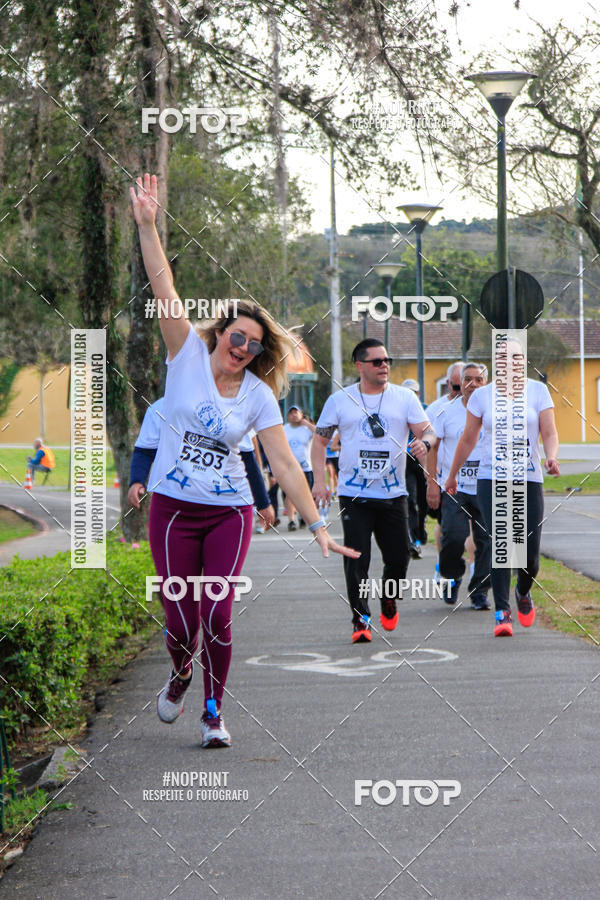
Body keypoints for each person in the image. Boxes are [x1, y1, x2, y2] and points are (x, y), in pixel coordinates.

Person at [130, 173, 358, 747]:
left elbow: (282, 462)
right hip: (173, 508)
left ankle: (213, 712)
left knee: (220, 615)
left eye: (255, 345)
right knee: (180, 618)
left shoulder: (259, 396)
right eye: (237, 337)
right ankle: (181, 673)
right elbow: (164, 286)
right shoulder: (182, 353)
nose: (243, 349)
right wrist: (148, 225)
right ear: (219, 334)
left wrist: (318, 527)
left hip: (228, 510)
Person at [312, 338, 435, 643]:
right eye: (377, 361)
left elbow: (428, 431)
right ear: (360, 366)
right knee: (356, 558)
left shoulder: (404, 397)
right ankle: (360, 618)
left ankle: (388, 598)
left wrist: (426, 443)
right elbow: (320, 441)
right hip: (355, 494)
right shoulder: (340, 401)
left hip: (394, 494)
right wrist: (318, 481)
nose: (384, 366)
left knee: (399, 558)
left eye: (387, 361)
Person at [445, 339, 560, 637]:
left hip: (528, 478)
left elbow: (549, 431)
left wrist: (551, 457)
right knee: (501, 544)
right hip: (491, 478)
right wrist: (453, 474)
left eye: (517, 358)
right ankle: (502, 613)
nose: (512, 363)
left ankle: (523, 590)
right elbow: (469, 438)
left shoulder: (538, 391)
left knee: (529, 555)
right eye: (505, 358)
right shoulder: (482, 396)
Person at [127, 399, 275, 532]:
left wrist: (263, 502)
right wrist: (136, 481)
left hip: (225, 506)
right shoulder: (159, 410)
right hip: (175, 504)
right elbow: (144, 451)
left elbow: (248, 460)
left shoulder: (230, 411)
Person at [427, 363, 491, 609]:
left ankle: (479, 592)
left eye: (478, 380)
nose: (472, 384)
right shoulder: (445, 411)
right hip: (454, 487)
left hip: (485, 485)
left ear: (485, 383)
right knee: (453, 536)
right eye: (467, 379)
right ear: (460, 383)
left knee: (487, 541)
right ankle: (452, 577)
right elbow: (432, 448)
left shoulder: (494, 411)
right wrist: (432, 483)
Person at [424, 362, 464, 579]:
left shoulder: (481, 407)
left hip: (477, 481)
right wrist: (431, 479)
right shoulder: (436, 410)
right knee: (448, 530)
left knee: (477, 535)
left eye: (465, 386)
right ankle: (445, 566)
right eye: (456, 388)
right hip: (445, 480)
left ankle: (477, 586)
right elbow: (428, 447)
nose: (461, 393)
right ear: (448, 384)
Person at [401, 379, 428, 558]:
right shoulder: (397, 410)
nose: (411, 396)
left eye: (414, 392)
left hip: (424, 457)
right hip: (405, 458)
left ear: (418, 394)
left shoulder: (426, 409)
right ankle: (413, 540)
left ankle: (421, 527)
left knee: (423, 500)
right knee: (410, 500)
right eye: (407, 392)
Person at [282, 405, 315, 530]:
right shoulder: (284, 429)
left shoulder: (306, 430)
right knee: (290, 494)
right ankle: (291, 520)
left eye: (296, 413)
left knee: (306, 495)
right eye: (291, 413)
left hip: (306, 467)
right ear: (288, 416)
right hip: (290, 468)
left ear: (302, 415)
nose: (294, 415)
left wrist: (307, 424)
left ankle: (302, 516)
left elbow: (322, 434)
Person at [325, 430, 341, 499]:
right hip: (327, 456)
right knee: (331, 473)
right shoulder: (325, 432)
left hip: (336, 456)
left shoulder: (337, 432)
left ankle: (338, 490)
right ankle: (331, 492)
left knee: (337, 475)